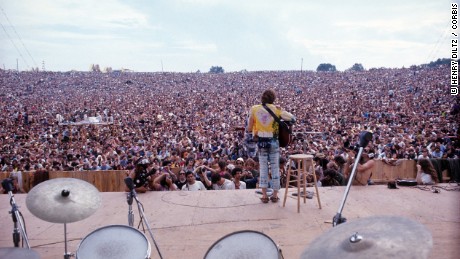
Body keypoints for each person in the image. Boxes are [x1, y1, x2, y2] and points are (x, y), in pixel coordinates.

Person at [247, 89, 295, 203]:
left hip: (261, 141)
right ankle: (274, 195)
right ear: (273, 98)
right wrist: (280, 109)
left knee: (263, 168)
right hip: (274, 141)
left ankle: (264, 196)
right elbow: (293, 118)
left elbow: (249, 128)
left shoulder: (254, 109)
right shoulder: (276, 109)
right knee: (275, 168)